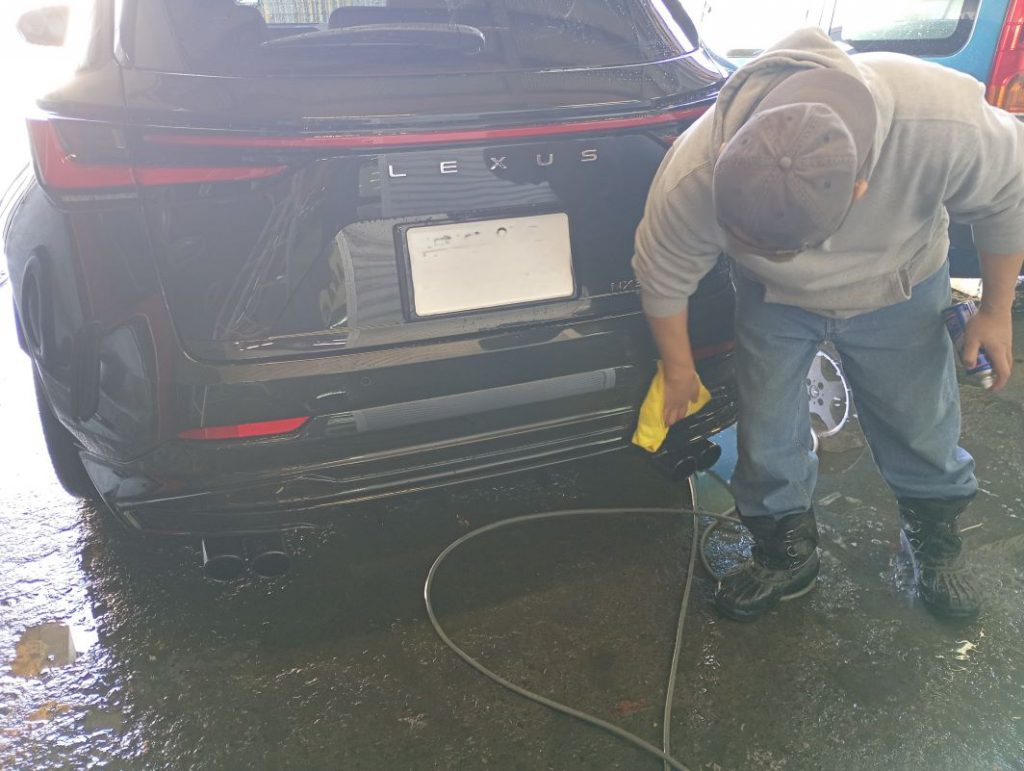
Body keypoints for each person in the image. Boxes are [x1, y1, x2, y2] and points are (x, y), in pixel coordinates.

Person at [632, 28, 1024, 623]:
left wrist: (994, 311)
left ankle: (934, 540)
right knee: (766, 429)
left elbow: (1009, 198)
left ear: (860, 188)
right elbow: (662, 274)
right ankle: (784, 553)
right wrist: (679, 368)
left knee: (919, 421)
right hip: (772, 298)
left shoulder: (943, 122)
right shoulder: (694, 171)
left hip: (900, 279)